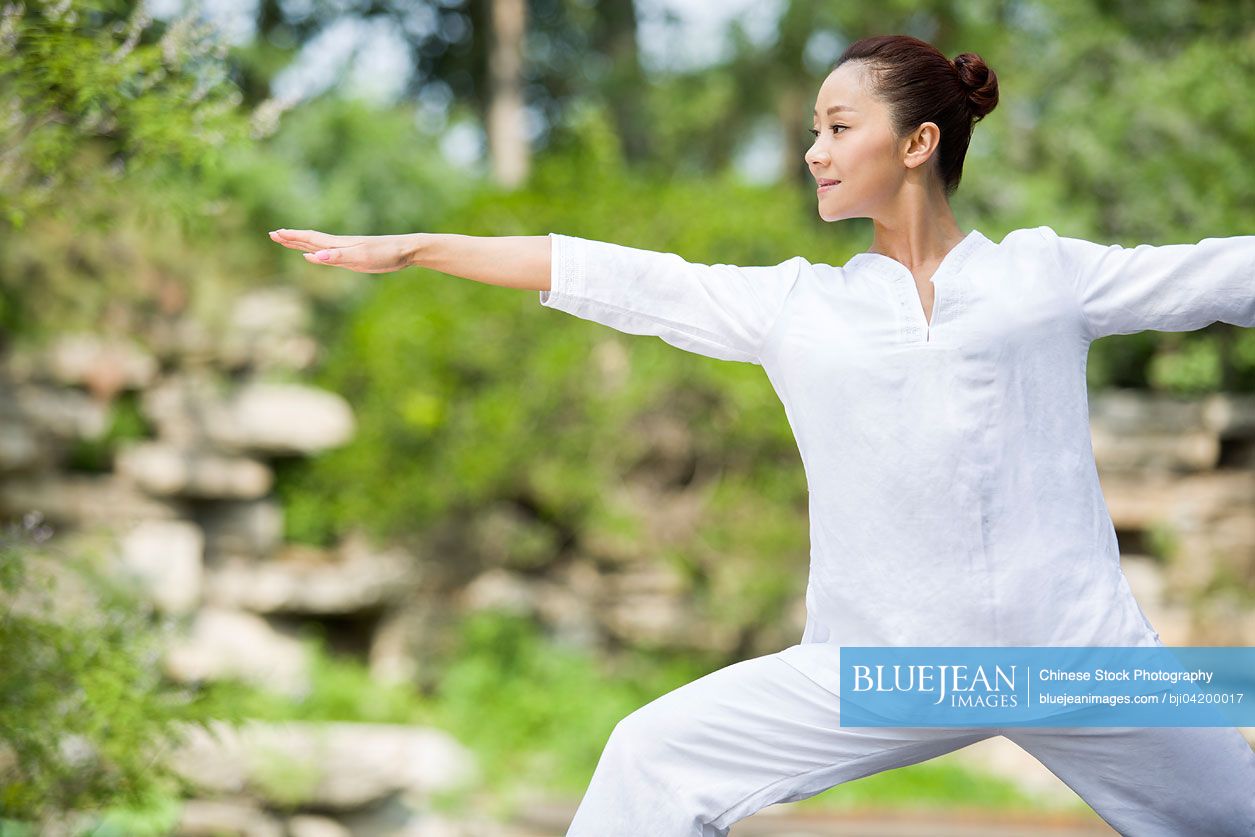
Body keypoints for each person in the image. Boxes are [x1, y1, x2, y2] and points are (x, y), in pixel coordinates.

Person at [268, 33, 1255, 837]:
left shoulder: (1044, 277)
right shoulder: (798, 306)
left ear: (916, 143)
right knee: (649, 757)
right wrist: (419, 248)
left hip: (1076, 660)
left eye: (837, 127)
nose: (813, 151)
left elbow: (1221, 273)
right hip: (883, 672)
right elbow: (624, 276)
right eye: (811, 131)